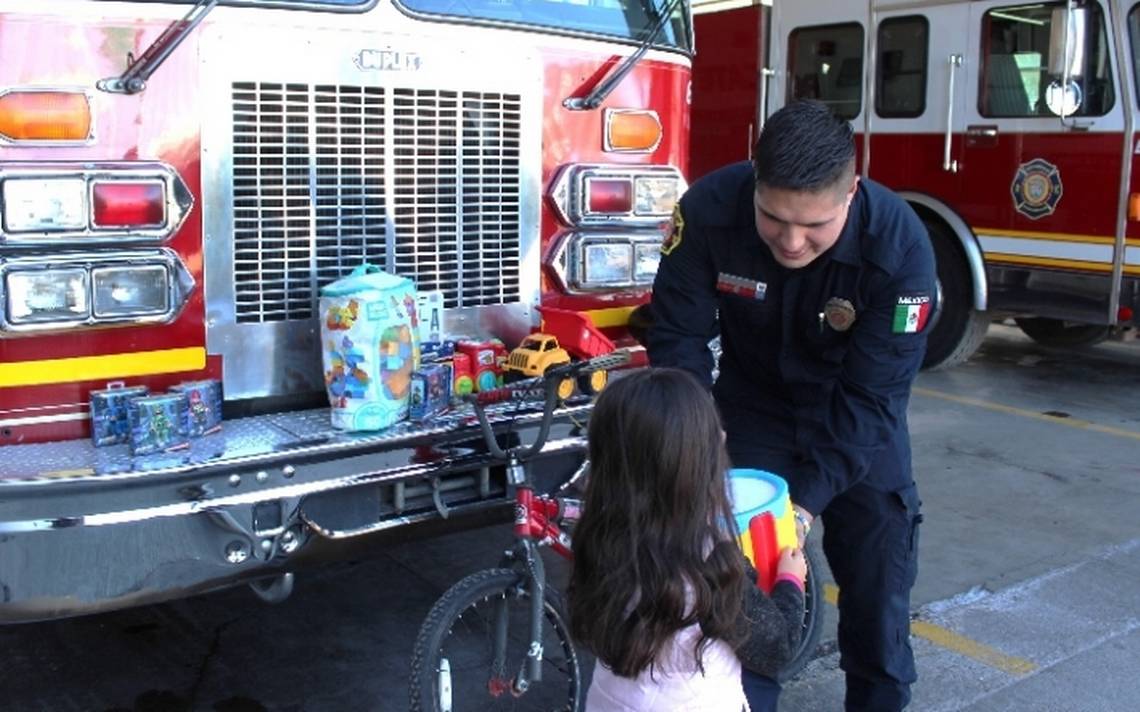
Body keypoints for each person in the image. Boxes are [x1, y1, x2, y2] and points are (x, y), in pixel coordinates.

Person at [647, 100, 934, 711]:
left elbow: (875, 397)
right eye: (774, 219)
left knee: (878, 592)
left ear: (851, 193)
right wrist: (695, 433)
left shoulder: (901, 247)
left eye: (815, 226)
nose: (792, 241)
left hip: (855, 419)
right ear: (754, 179)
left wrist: (799, 510)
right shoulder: (705, 213)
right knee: (739, 609)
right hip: (752, 411)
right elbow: (679, 340)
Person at [568, 367, 807, 712]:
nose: (723, 436)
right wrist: (790, 581)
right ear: (691, 465)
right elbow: (776, 648)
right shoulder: (709, 562)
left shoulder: (598, 538)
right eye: (711, 435)